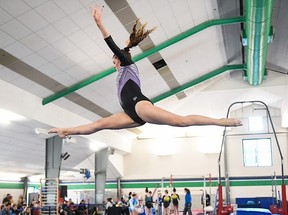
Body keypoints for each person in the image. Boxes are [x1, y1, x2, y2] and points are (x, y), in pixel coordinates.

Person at [48, 5, 242, 139]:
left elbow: (114, 46)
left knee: (180, 122)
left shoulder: (127, 65)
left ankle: (221, 122)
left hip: (139, 106)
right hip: (130, 113)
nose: (113, 63)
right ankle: (67, 131)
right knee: (99, 124)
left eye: (114, 59)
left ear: (119, 59)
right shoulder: (123, 70)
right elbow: (121, 49)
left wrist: (100, 24)